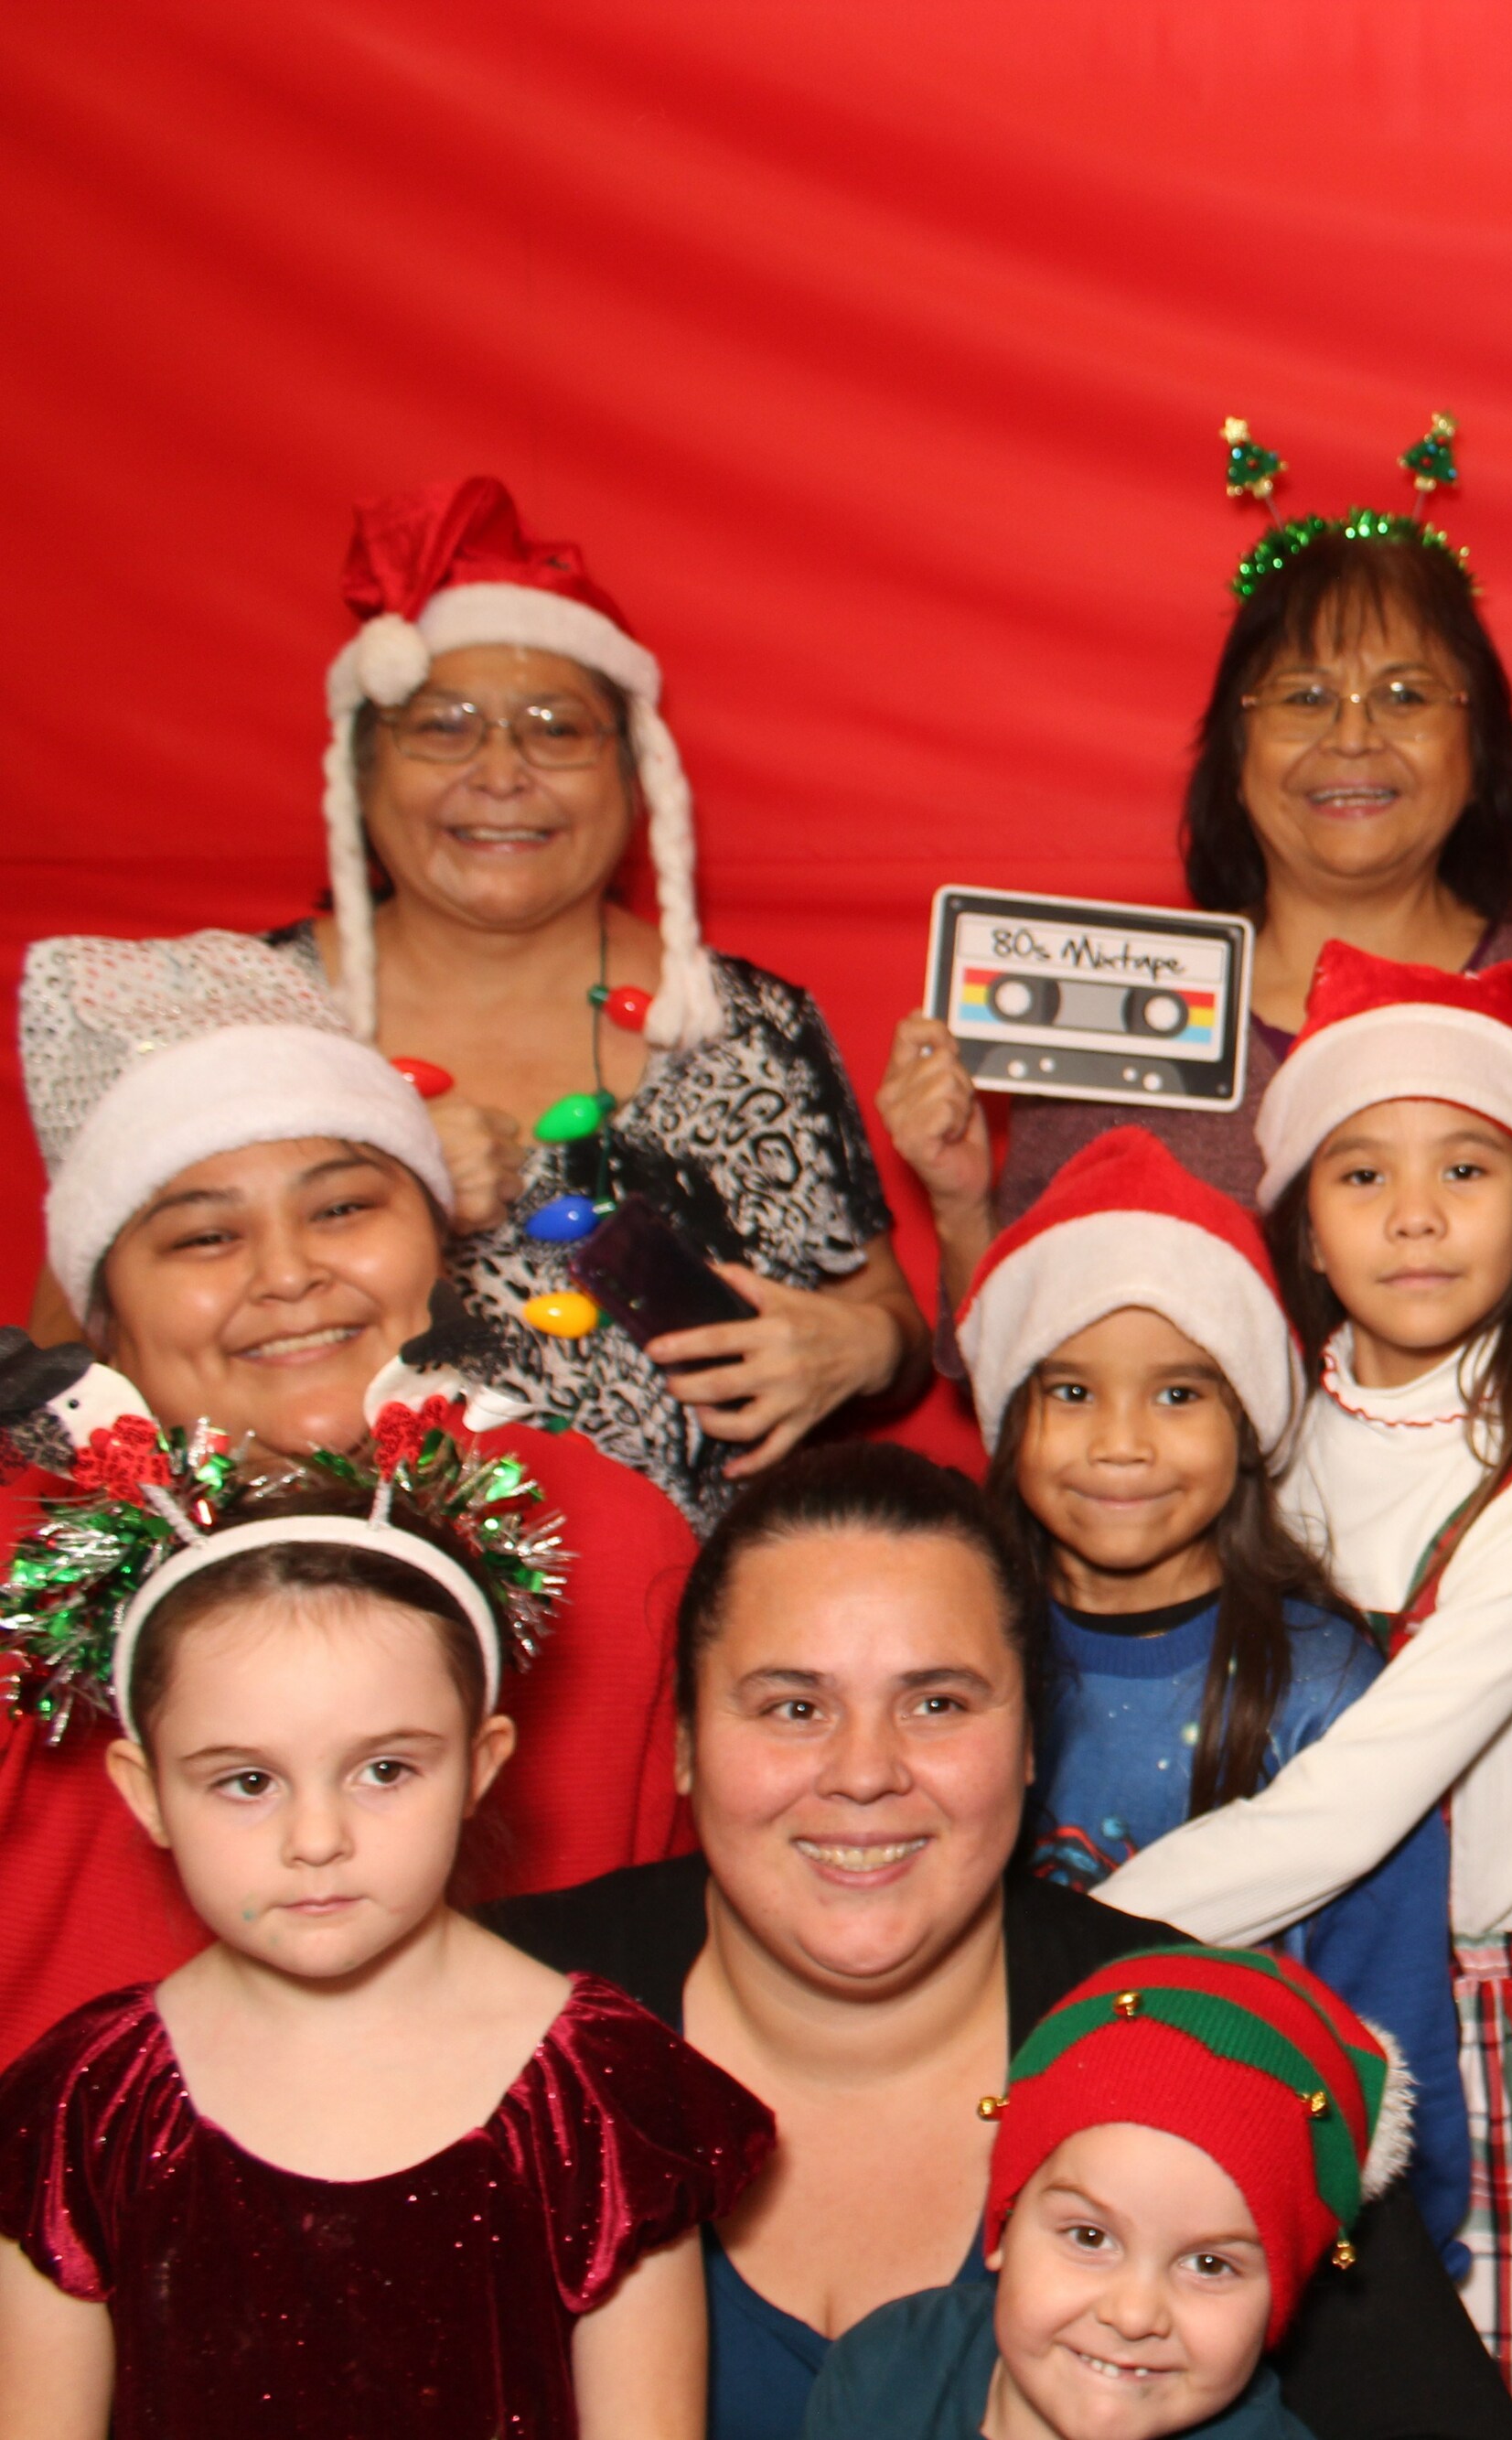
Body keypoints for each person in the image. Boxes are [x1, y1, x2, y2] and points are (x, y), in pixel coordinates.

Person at [478, 1443, 1512, 2440]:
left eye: (937, 1703)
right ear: (686, 1743)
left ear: (1032, 1741)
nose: (864, 1773)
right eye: (794, 1707)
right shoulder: (490, 2010)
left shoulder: (1206, 2043)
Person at [99, 474, 923, 1528]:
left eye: (556, 729)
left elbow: (886, 1323)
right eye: (442, 727)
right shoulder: (222, 1020)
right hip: (308, 1596)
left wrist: (865, 1346)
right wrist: (383, 1177)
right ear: (361, 773)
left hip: (698, 1606)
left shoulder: (745, 1025)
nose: (500, 772)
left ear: (634, 777)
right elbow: (71, 1370)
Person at [1091, 945, 1512, 2440]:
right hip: (1266, 1973)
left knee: (1494, 2397)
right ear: (1304, 1219)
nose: (1415, 1213)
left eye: (1466, 1166)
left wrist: (1068, 1938)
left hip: (1485, 2012)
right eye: (1362, 1173)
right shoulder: (1257, 1427)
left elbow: (1349, 1804)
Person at [2, 930, 697, 2060]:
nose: (288, 1276)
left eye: (341, 1211)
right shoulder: (17, 1576)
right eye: (204, 1237)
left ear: (437, 1246)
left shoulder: (610, 1541)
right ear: (106, 1317)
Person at [0, 1454, 771, 2438]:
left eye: (385, 1770)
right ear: (146, 1792)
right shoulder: (89, 2103)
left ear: (481, 1765)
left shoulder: (604, 2092)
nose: (317, 1838)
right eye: (247, 1782)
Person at [881, 495, 1512, 1312]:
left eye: (1405, 695)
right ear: (1235, 755)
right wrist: (962, 1207)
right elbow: (1030, 1365)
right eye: (1304, 697)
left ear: (1479, 751)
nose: (1352, 737)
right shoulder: (1112, 1016)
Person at [955, 1123, 1468, 2250]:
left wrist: (1403, 2259)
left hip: (1247, 2220)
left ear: (1248, 1419)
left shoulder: (1324, 1685)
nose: (1122, 1445)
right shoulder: (958, 1651)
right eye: (1072, 1391)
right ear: (1008, 1415)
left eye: (1179, 1395)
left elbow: (1391, 2014)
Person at [805, 1945, 1414, 2440]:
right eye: (1090, 2236)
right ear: (1006, 2221)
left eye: (1210, 2264)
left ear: (1278, 2303)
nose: (1133, 2314)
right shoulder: (894, 2368)